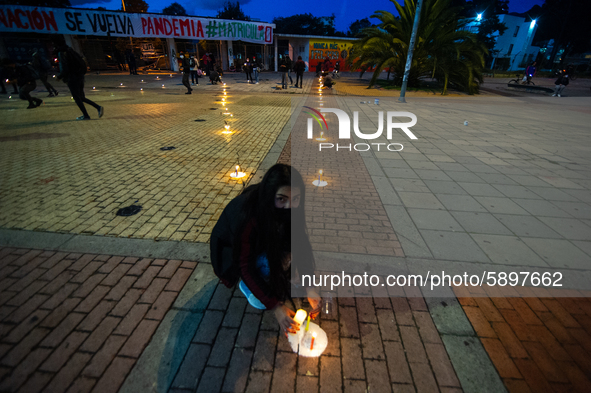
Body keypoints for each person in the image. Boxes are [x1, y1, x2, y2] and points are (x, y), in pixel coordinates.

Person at [210, 164, 320, 334]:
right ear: (270, 196)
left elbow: (301, 243)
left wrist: (310, 286)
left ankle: (264, 273)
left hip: (260, 242)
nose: (289, 206)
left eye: (295, 199)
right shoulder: (248, 215)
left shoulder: (288, 208)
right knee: (264, 296)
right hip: (232, 253)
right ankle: (245, 286)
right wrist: (276, 306)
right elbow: (244, 264)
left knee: (285, 262)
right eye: (282, 199)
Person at [55, 44, 103, 120]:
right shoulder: (71, 51)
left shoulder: (62, 54)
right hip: (79, 76)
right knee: (81, 97)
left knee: (77, 98)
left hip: (72, 78)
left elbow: (65, 68)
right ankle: (97, 107)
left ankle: (87, 114)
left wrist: (59, 76)